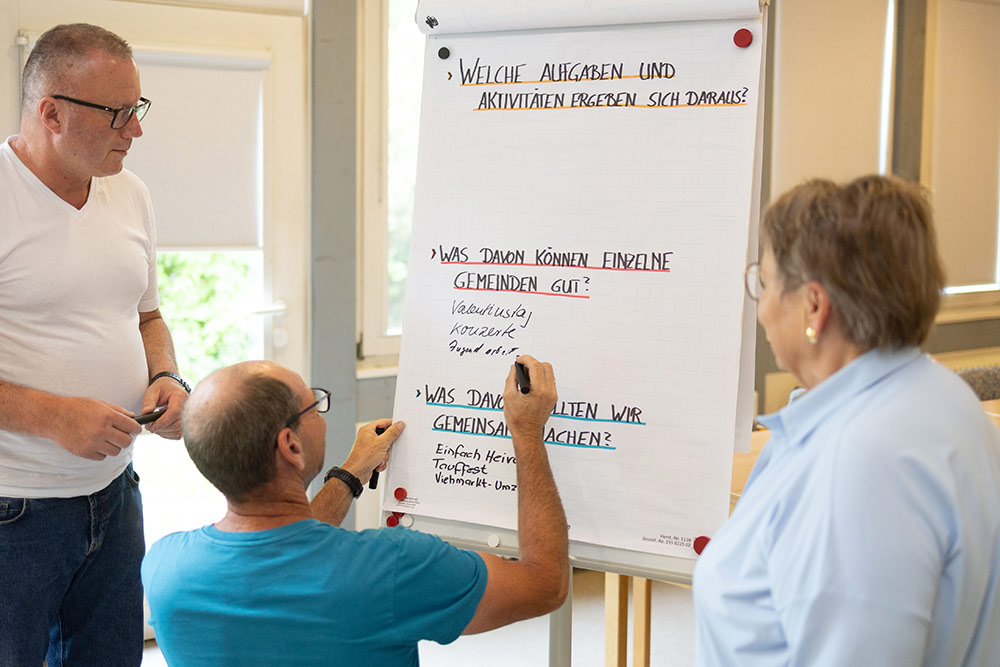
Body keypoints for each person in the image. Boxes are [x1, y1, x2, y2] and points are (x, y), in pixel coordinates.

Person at [694, 175, 1000, 665]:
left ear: (814, 306)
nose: (762, 307)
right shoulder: (945, 400)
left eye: (765, 283)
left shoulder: (863, 462)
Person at [142, 355, 569, 666]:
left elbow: (284, 548)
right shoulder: (395, 567)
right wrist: (527, 432)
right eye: (314, 406)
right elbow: (546, 584)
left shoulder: (163, 569)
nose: (322, 415)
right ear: (290, 446)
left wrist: (350, 473)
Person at [0, 23, 189, 666]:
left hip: (115, 495)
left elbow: (147, 314)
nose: (135, 130)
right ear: (50, 112)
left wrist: (167, 375)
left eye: (137, 108)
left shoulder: (130, 193)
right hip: (14, 513)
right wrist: (54, 415)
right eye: (117, 113)